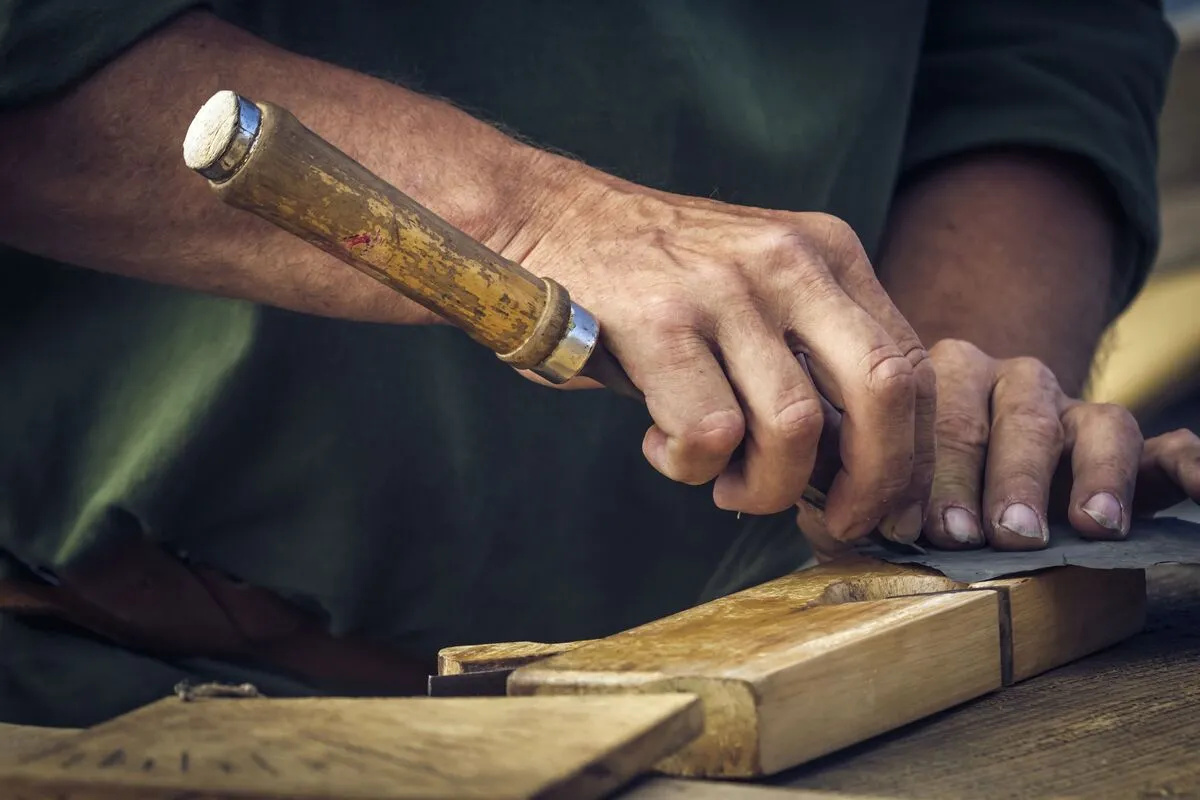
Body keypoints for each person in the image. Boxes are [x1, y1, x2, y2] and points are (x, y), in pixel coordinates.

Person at [0, 1, 1197, 727]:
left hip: (792, 708)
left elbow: (1037, 44)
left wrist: (926, 411)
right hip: (123, 696)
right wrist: (529, 223)